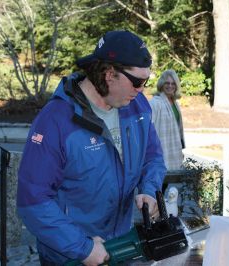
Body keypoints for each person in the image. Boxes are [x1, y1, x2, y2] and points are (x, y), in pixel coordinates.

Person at [17, 30, 166, 265]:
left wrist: (148, 189)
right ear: (109, 74)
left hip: (119, 246)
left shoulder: (137, 107)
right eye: (138, 82)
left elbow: (152, 157)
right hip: (69, 255)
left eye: (146, 80)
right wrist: (82, 248)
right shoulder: (55, 120)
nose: (142, 90)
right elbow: (33, 200)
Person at [150, 70, 185, 171]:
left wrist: (180, 149)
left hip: (174, 151)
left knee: (173, 184)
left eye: (173, 83)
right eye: (167, 83)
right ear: (162, 84)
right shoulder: (155, 103)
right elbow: (149, 128)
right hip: (161, 152)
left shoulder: (175, 103)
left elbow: (178, 129)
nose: (170, 86)